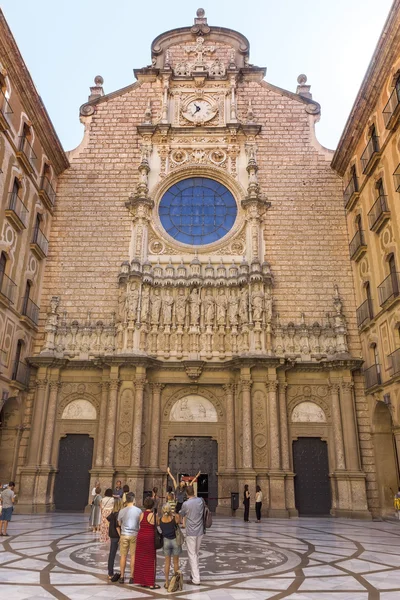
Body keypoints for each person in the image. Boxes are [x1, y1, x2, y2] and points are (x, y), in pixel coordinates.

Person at [133, 497, 160, 589]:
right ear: (152, 505)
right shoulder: (153, 515)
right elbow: (158, 524)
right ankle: (151, 583)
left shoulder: (141, 514)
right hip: (149, 537)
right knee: (150, 560)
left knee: (141, 559)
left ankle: (142, 581)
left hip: (141, 537)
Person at [179, 485, 204, 586]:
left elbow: (181, 514)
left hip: (191, 532)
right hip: (200, 531)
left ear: (186, 493)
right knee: (196, 553)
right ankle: (193, 574)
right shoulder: (201, 501)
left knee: (192, 554)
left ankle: (196, 579)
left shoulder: (186, 504)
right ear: (194, 491)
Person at [117, 492, 142, 585]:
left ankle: (122, 576)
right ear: (134, 499)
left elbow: (119, 523)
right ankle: (132, 577)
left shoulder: (122, 511)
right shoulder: (139, 511)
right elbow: (140, 523)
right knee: (133, 556)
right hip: (134, 535)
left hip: (124, 534)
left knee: (123, 556)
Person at [158, 502, 181, 590]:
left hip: (166, 541)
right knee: (176, 563)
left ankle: (167, 582)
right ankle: (175, 582)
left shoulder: (160, 520)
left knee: (167, 563)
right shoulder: (174, 518)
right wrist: (174, 513)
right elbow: (178, 522)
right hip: (175, 540)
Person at [107, 500, 121, 581]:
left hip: (112, 535)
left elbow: (107, 519)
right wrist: (121, 536)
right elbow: (117, 526)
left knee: (111, 554)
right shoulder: (117, 514)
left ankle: (110, 572)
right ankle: (111, 573)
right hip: (116, 535)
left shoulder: (112, 513)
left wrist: (110, 526)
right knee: (114, 553)